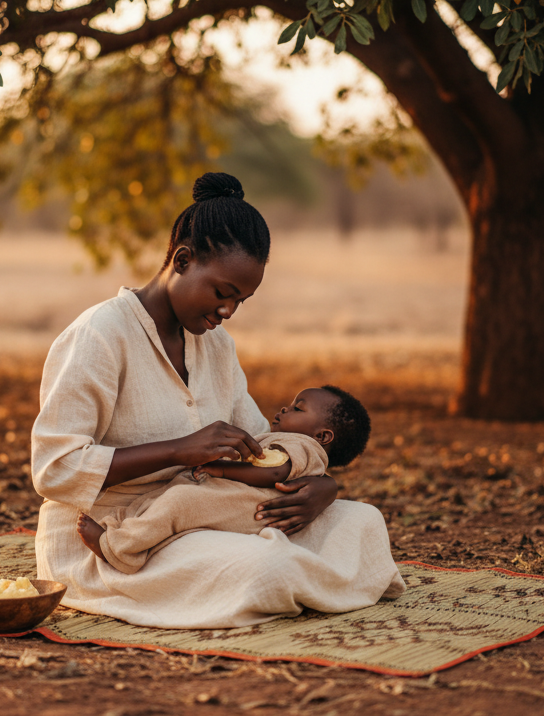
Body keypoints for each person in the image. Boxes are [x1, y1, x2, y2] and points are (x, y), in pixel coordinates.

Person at [30, 172, 406, 629]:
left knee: (362, 522)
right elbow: (54, 468)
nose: (228, 311)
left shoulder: (216, 345)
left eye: (241, 301)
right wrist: (178, 449)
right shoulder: (101, 336)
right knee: (268, 567)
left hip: (211, 513)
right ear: (183, 260)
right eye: (223, 293)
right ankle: (291, 578)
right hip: (118, 534)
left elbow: (262, 440)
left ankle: (286, 574)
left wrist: (322, 487)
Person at [76, 385, 377, 574]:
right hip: (228, 498)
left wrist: (220, 468)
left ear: (322, 436)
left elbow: (272, 471)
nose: (286, 408)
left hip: (246, 507)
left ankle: (120, 551)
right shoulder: (289, 441)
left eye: (298, 408)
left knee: (180, 502)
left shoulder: (304, 447)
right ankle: (120, 527)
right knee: (170, 496)